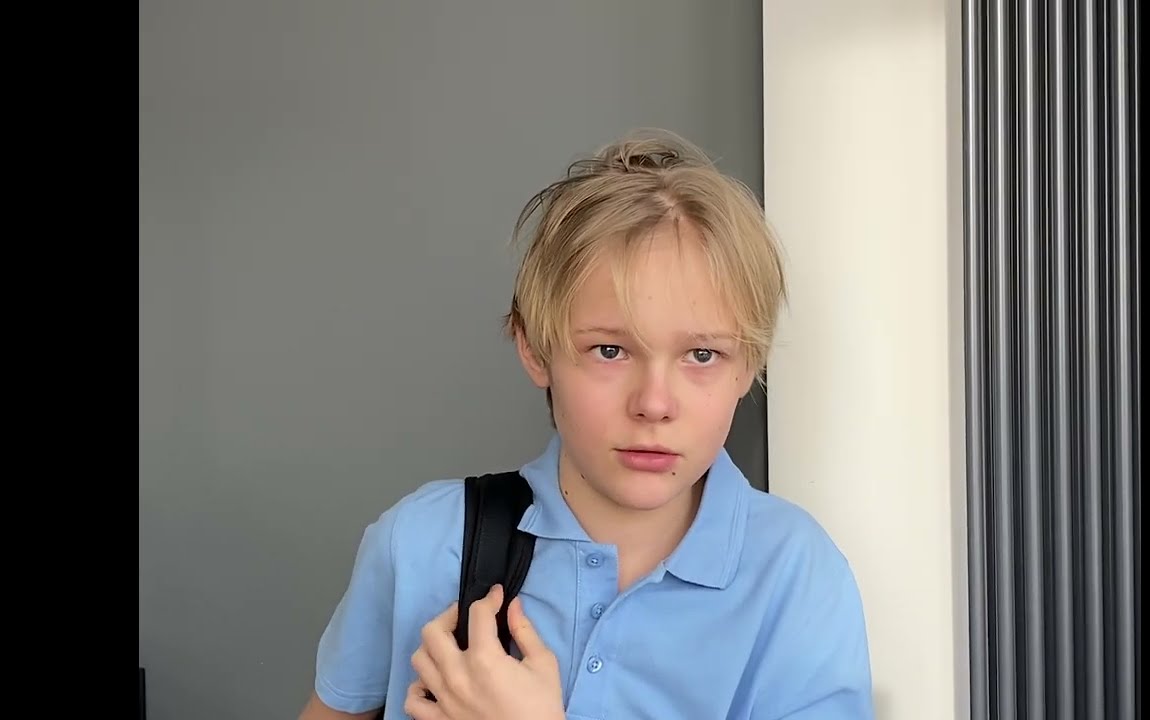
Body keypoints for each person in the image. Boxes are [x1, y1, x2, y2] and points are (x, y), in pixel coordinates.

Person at [299, 129, 874, 720]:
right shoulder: (420, 542)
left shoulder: (795, 573)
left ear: (748, 365)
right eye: (610, 351)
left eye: (702, 355)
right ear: (534, 348)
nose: (654, 404)